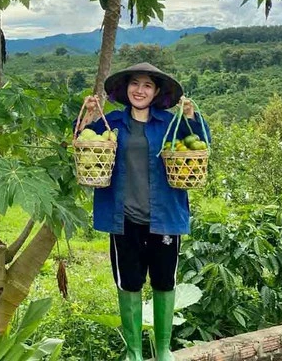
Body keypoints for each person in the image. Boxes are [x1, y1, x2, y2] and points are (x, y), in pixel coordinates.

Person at [78, 63, 210, 361]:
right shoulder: (111, 123)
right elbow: (82, 141)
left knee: (165, 281)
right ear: (126, 90)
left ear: (156, 92)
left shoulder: (168, 123)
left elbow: (200, 144)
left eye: (147, 85)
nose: (140, 90)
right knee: (129, 282)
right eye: (135, 84)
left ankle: (163, 349)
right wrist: (87, 115)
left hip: (164, 217)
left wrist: (191, 117)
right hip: (123, 218)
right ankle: (133, 351)